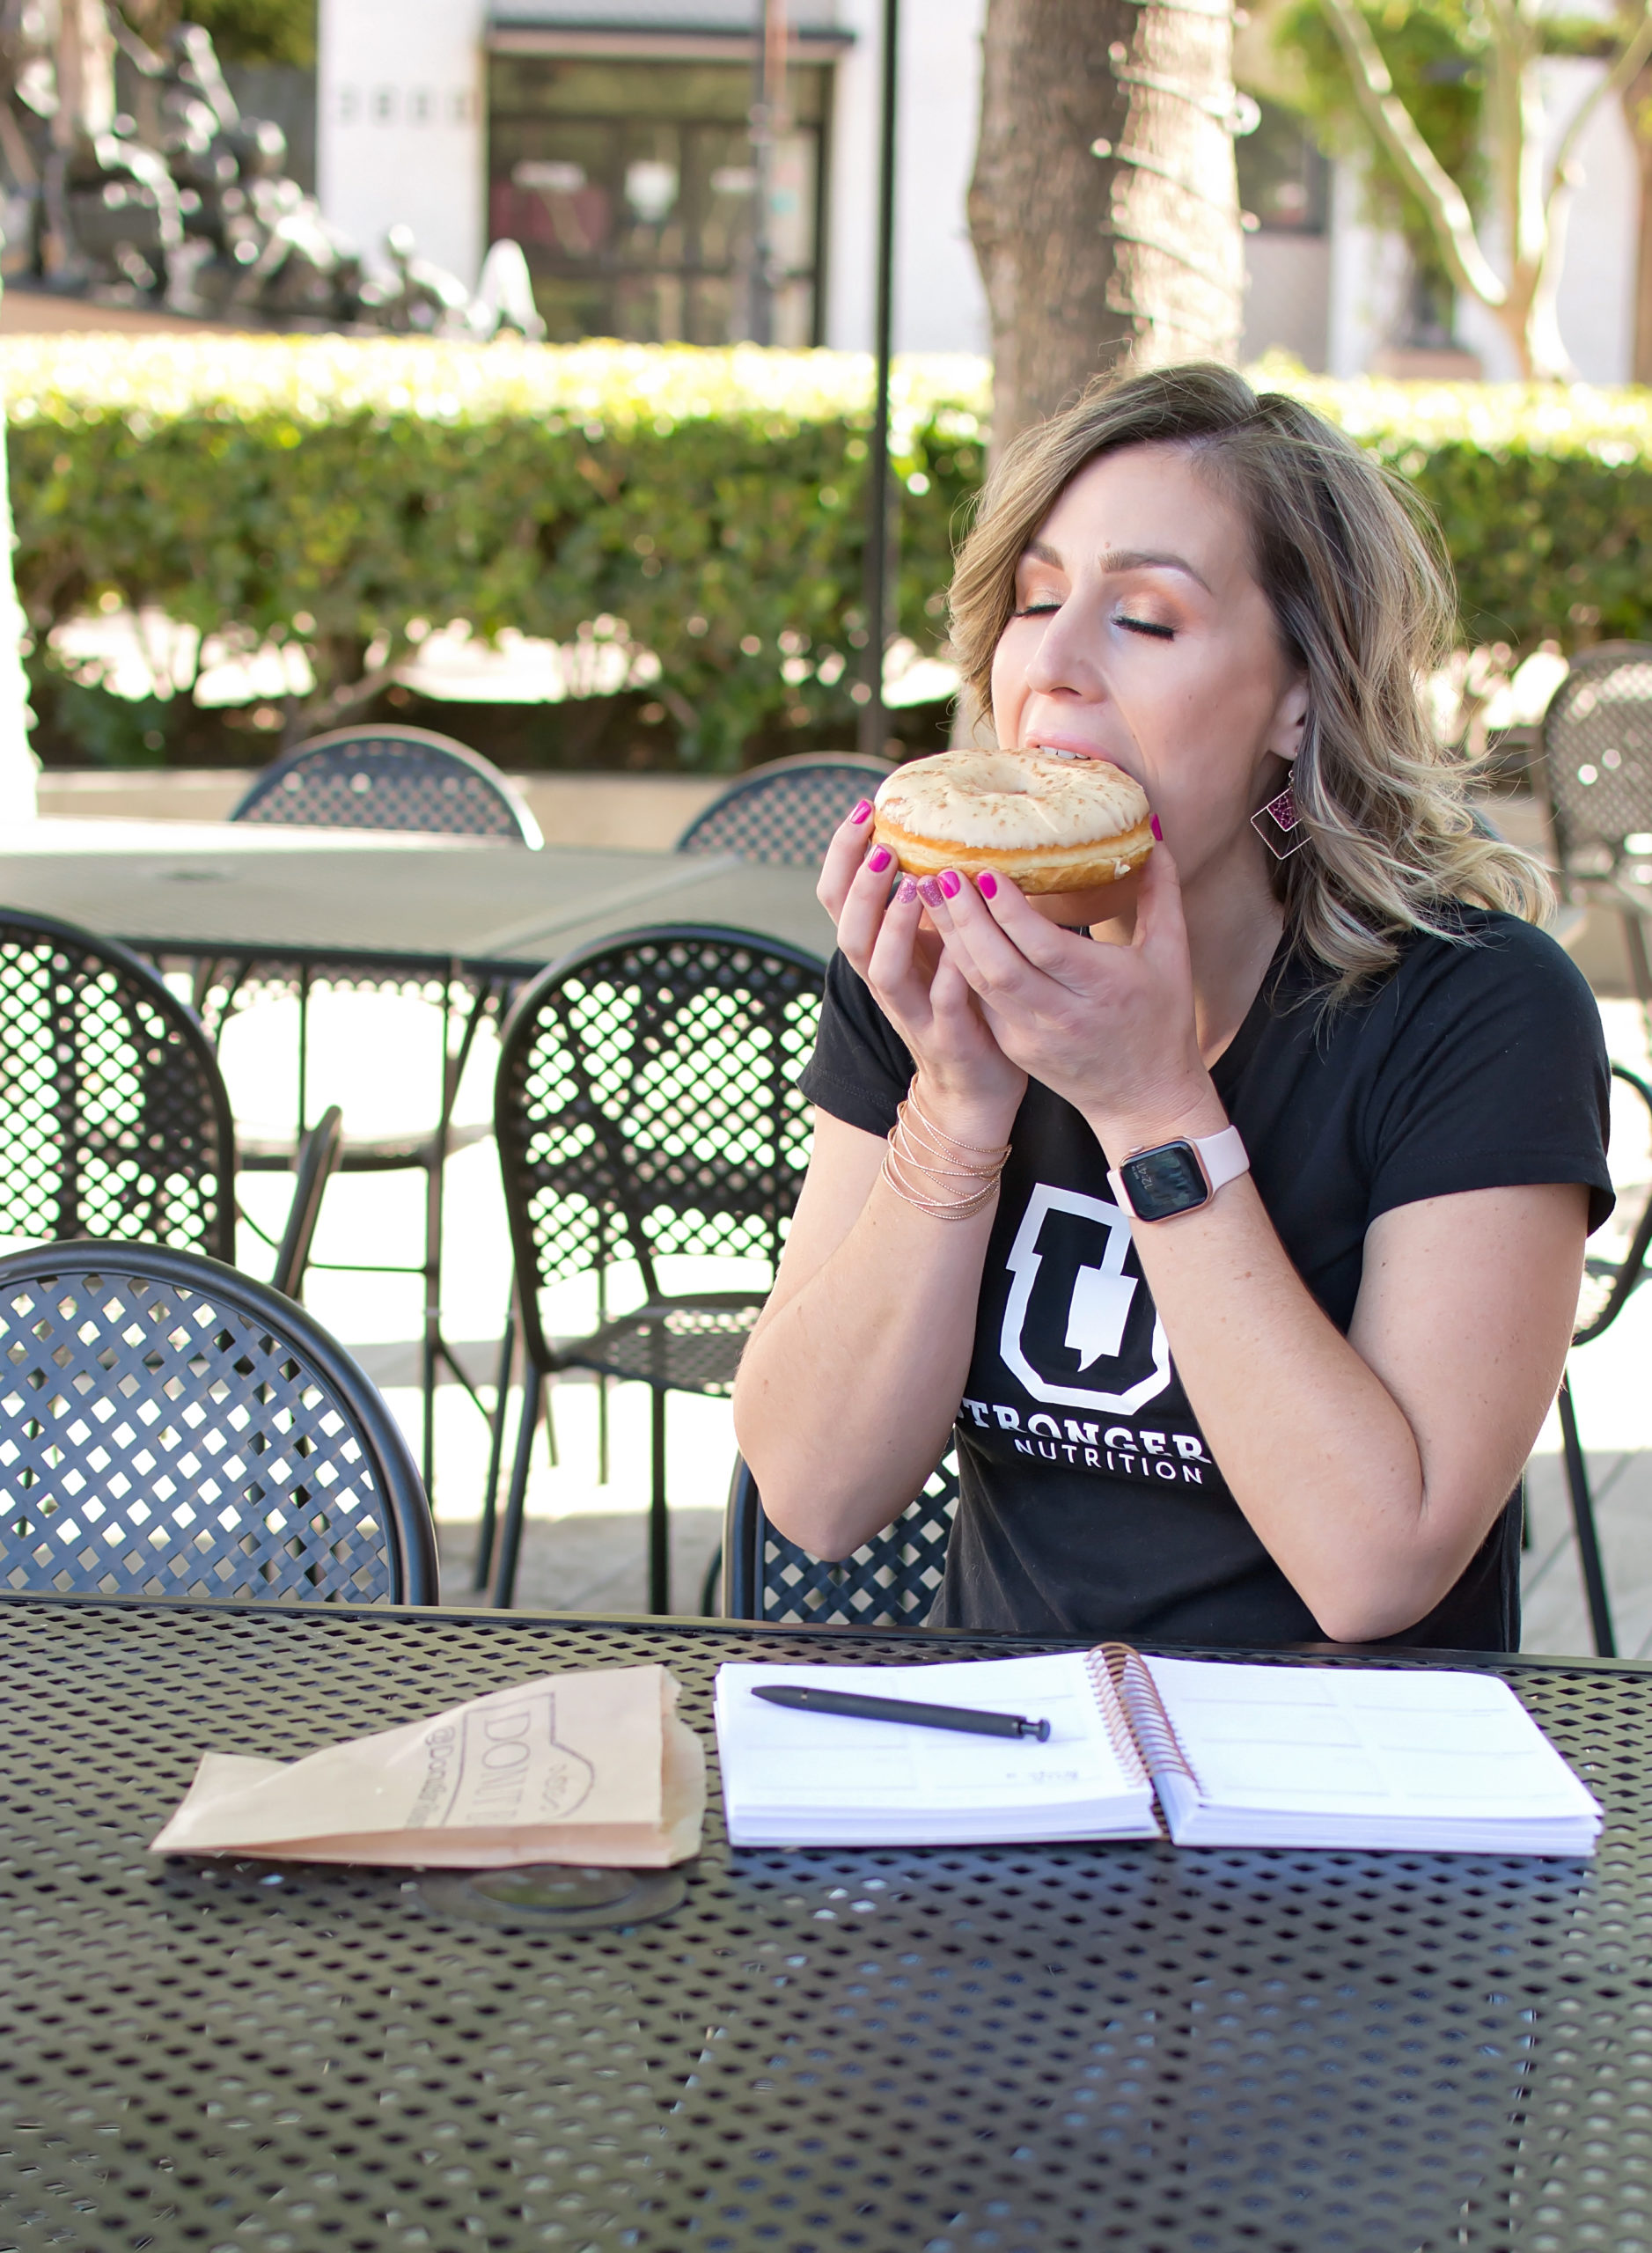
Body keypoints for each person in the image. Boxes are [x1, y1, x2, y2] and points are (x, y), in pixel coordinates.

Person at [731, 363, 1612, 1652]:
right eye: (1034, 600)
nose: (1056, 664)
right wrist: (955, 1110)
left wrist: (1148, 1106)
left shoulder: (1477, 1013)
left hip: (1343, 1810)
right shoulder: (928, 983)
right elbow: (814, 1493)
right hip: (1015, 1780)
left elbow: (1376, 1569)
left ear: (1298, 693)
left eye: (1143, 617)